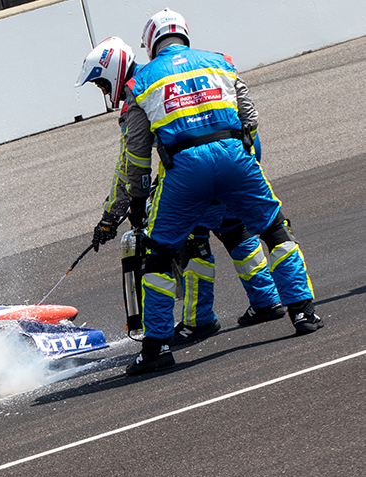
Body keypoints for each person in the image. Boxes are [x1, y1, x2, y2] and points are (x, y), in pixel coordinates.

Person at [118, 9, 322, 375]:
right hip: (234, 156)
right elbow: (250, 118)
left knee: (160, 255)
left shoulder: (140, 82)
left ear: (151, 44)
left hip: (184, 168)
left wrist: (136, 201)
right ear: (184, 35)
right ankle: (304, 312)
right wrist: (249, 166)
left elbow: (136, 152)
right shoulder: (221, 63)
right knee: (274, 229)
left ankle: (156, 347)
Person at [76, 36, 285, 348]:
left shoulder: (140, 93)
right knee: (237, 231)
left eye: (103, 85)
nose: (105, 92)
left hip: (191, 179)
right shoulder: (175, 76)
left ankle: (198, 321)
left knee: (191, 244)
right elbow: (243, 119)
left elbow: (130, 165)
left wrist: (111, 216)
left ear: (114, 71)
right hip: (234, 167)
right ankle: (268, 300)